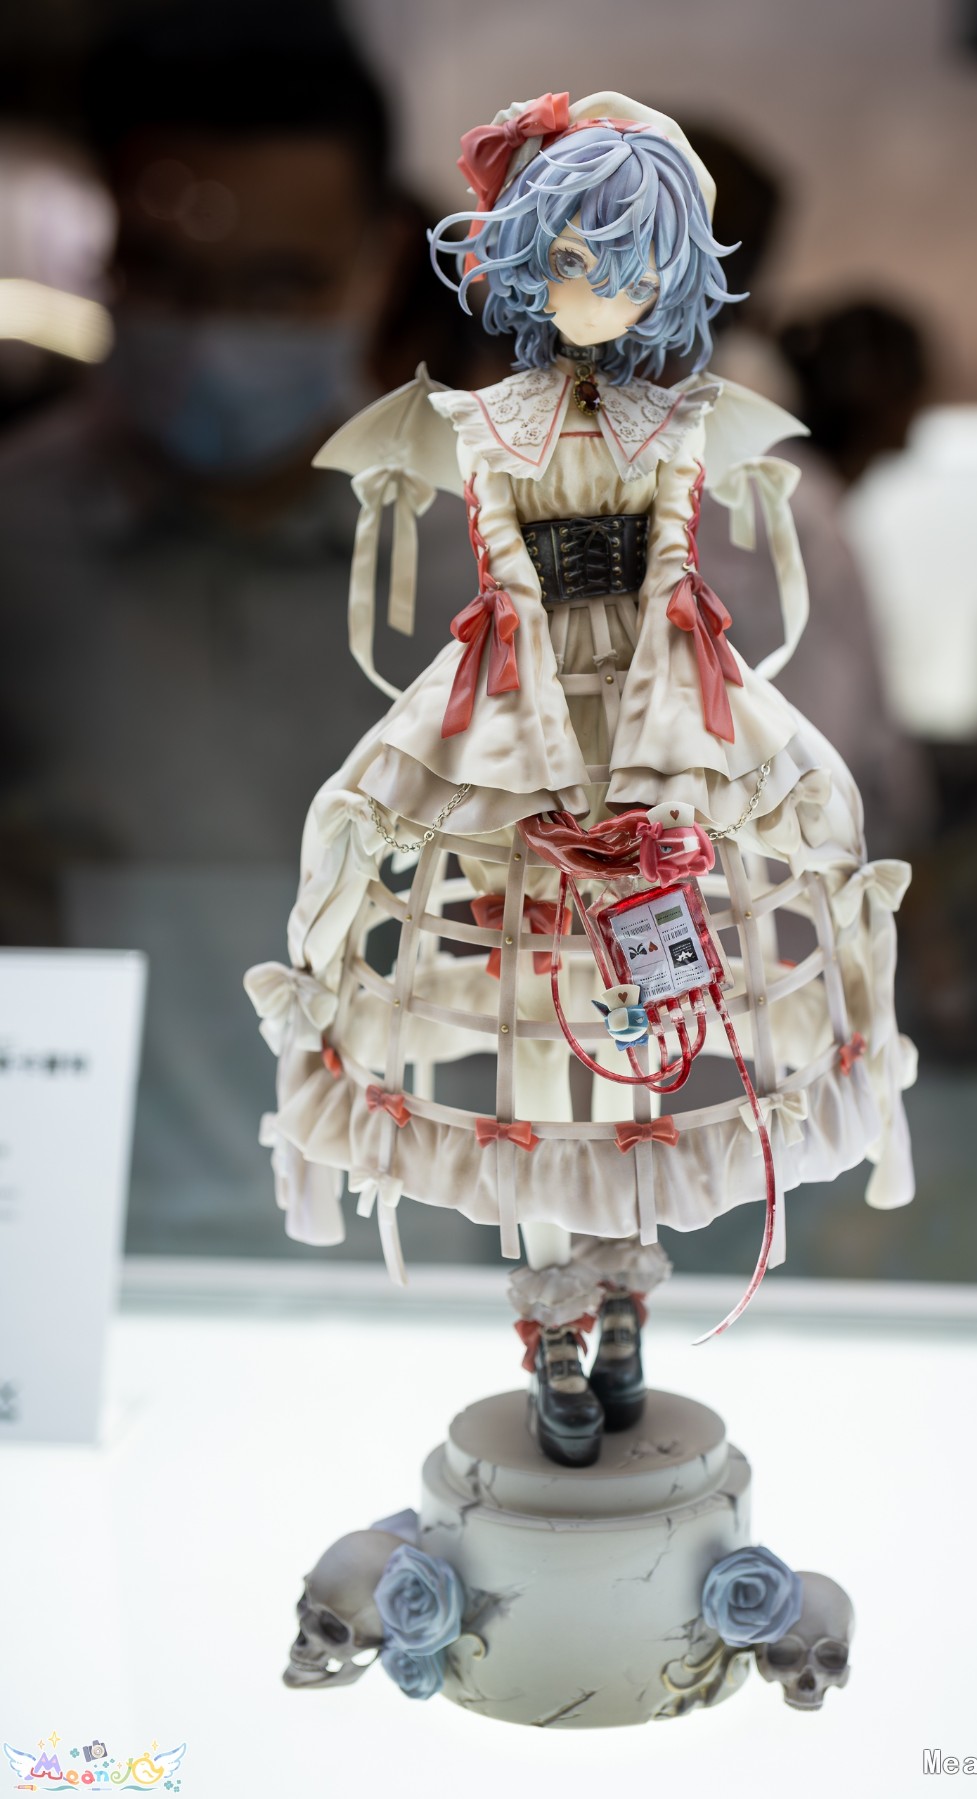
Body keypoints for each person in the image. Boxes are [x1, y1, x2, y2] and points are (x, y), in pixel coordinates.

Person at [246, 93, 917, 1467]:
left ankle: (619, 1310)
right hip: (514, 703)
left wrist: (649, 748)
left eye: (631, 266)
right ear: (521, 262)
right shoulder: (483, 425)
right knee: (524, 1017)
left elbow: (672, 570)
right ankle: (553, 1318)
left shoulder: (683, 422)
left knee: (647, 1020)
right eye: (568, 260)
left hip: (666, 699)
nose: (598, 292)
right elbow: (505, 572)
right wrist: (553, 753)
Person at [0, 2, 475, 1255]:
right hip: (70, 1263)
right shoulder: (16, 550)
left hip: (424, 1270)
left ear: (379, 261)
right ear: (108, 247)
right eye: (170, 279)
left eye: (276, 288)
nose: (216, 336)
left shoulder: (498, 561)